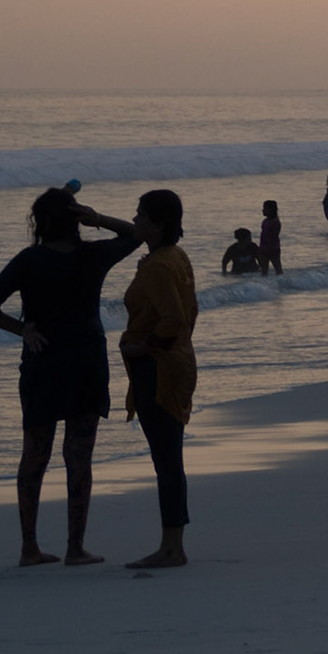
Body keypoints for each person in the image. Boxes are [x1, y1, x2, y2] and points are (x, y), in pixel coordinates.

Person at [0, 189, 140, 567]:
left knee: (35, 455)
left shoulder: (30, 259)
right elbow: (135, 235)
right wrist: (96, 217)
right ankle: (75, 547)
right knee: (78, 456)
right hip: (87, 362)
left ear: (40, 223)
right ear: (74, 220)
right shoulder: (93, 255)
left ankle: (29, 547)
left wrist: (23, 331)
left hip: (43, 364)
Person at [119, 189, 198, 569]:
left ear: (158, 223)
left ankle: (171, 547)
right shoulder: (174, 256)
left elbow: (176, 319)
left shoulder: (157, 267)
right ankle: (173, 543)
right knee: (170, 458)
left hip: (159, 368)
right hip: (178, 362)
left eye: (140, 216)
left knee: (166, 460)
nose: (135, 221)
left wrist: (145, 345)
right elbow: (189, 314)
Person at [258, 199, 282, 274]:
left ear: (271, 210)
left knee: (278, 268)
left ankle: (281, 283)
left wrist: (269, 247)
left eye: (265, 209)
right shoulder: (265, 221)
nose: (263, 210)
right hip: (263, 248)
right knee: (264, 270)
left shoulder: (275, 222)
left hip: (273, 249)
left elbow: (274, 236)